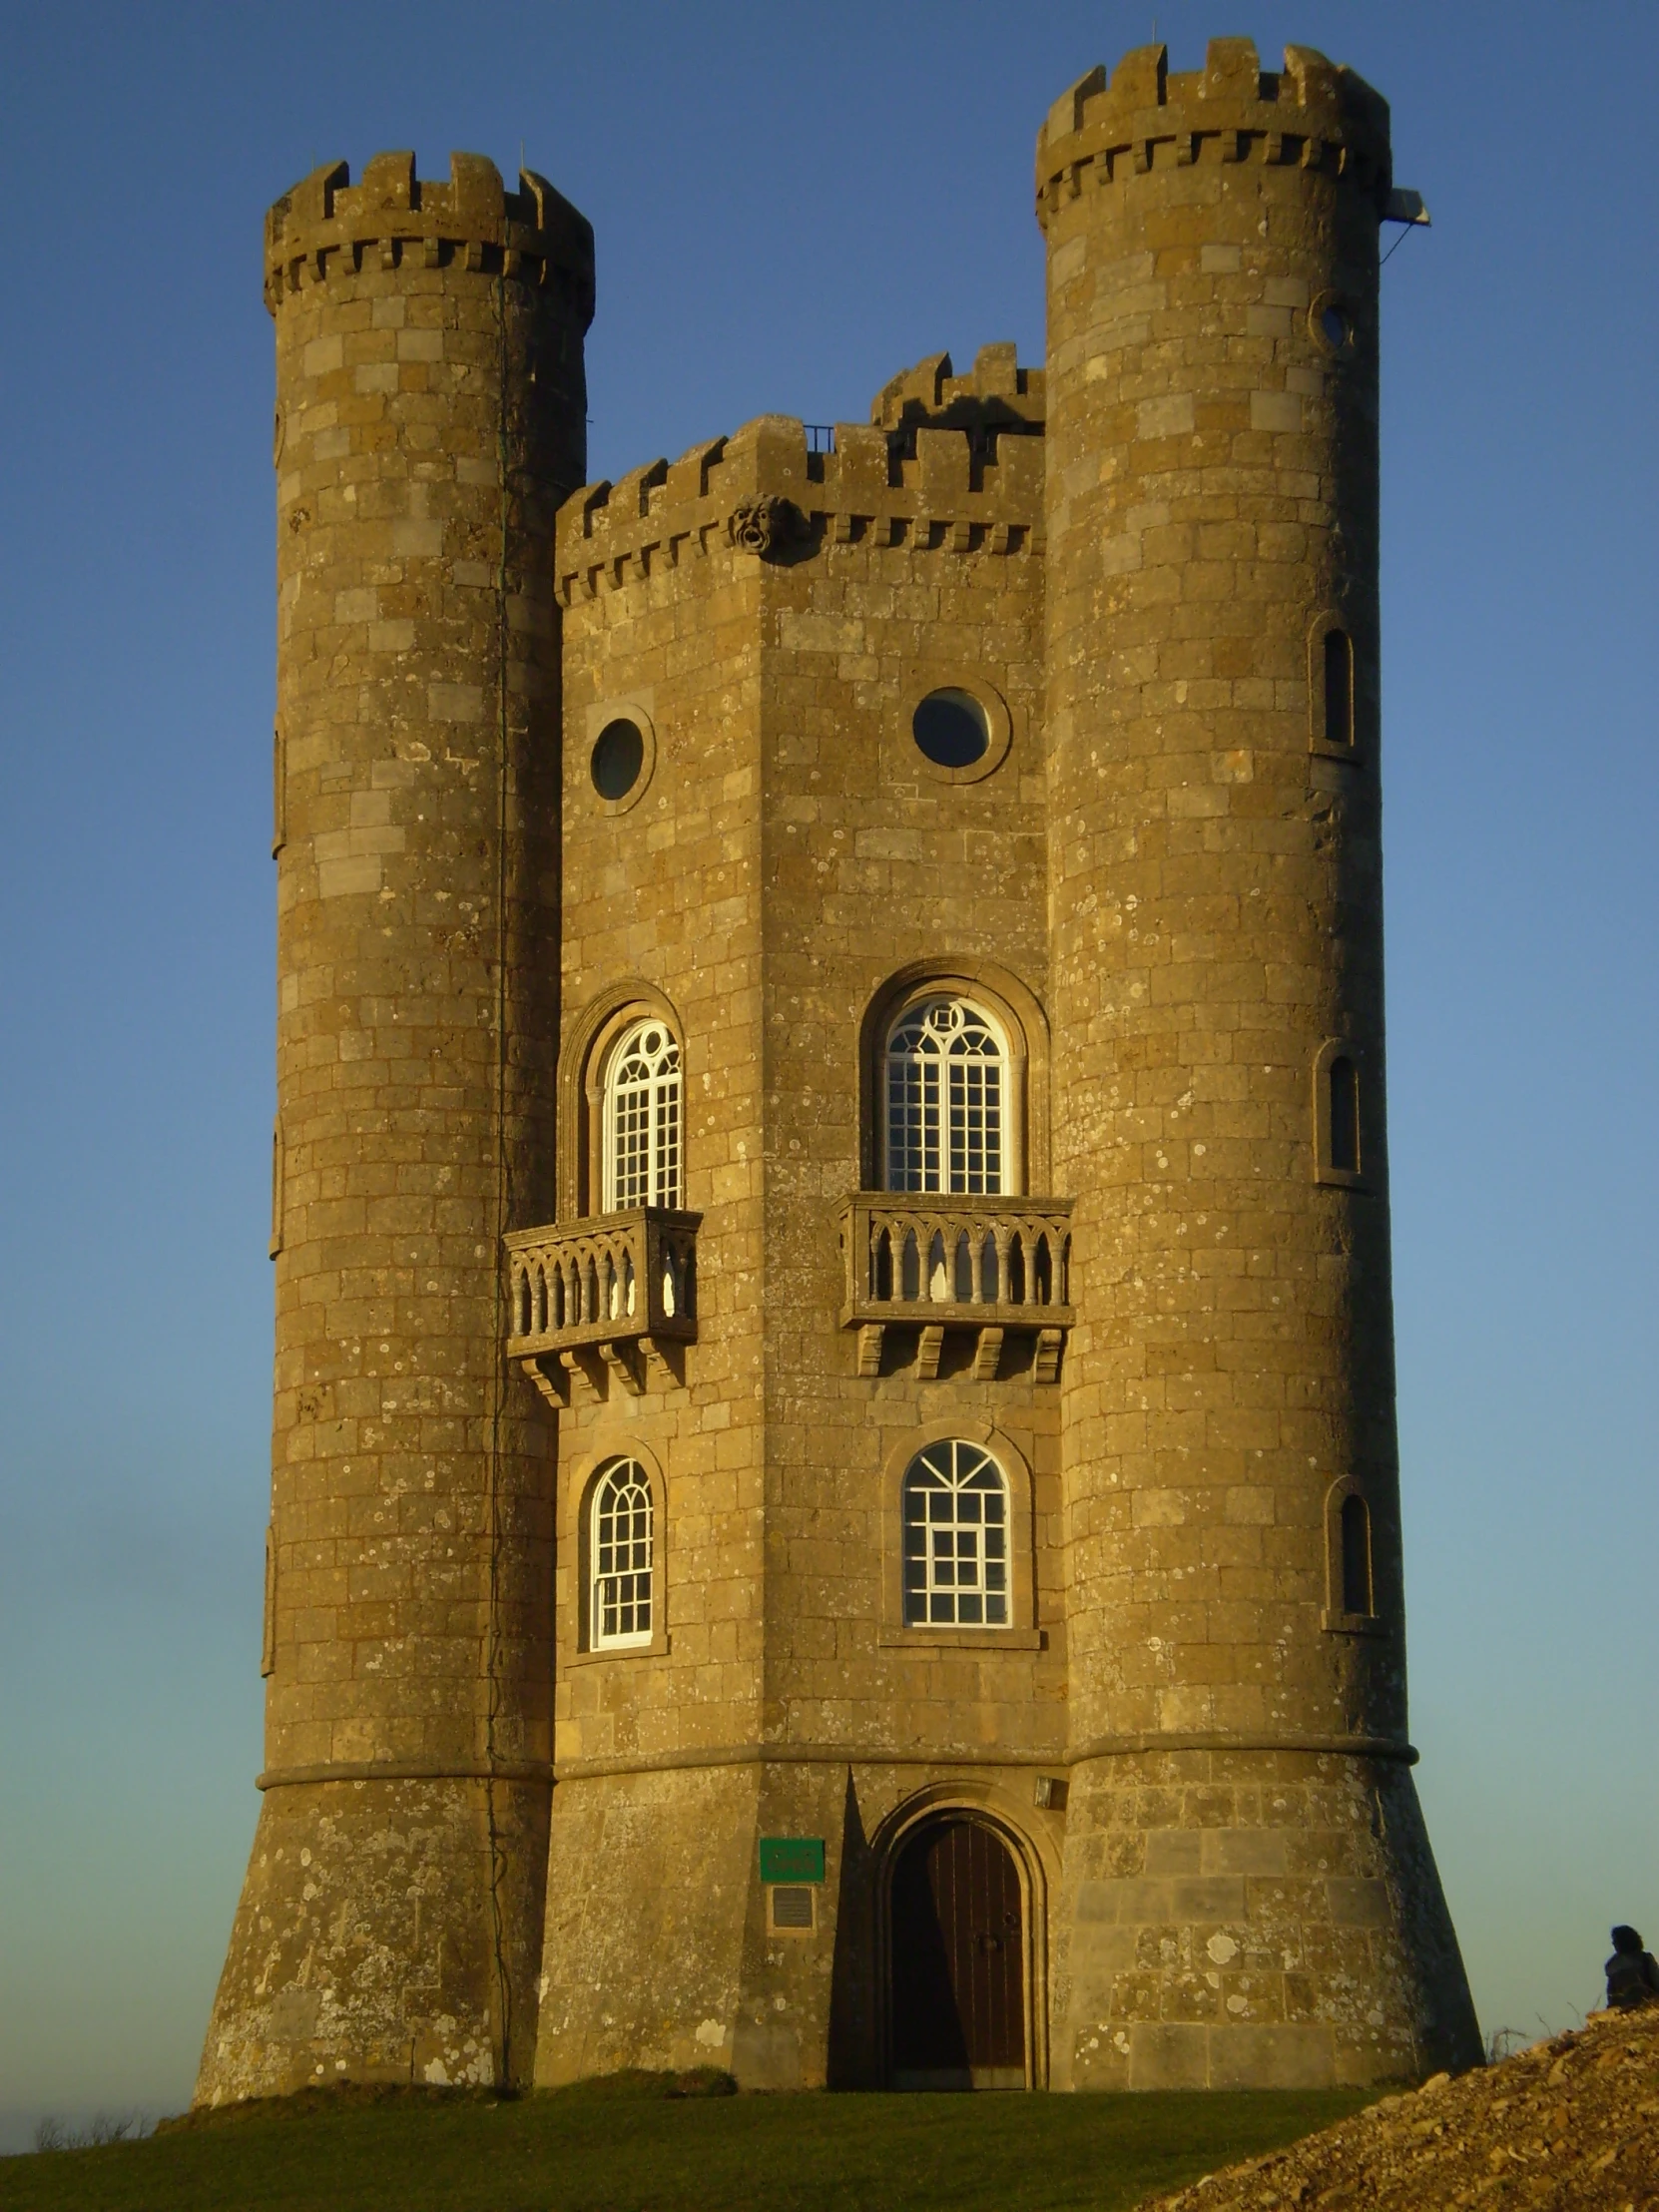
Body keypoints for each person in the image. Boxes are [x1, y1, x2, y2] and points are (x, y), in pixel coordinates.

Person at [1605, 1925, 1659, 2010]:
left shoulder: (1612, 1964)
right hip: (1641, 2008)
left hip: (1643, 2006)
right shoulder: (1645, 1958)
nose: (1613, 1943)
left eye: (1615, 1940)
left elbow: (1611, 1995)